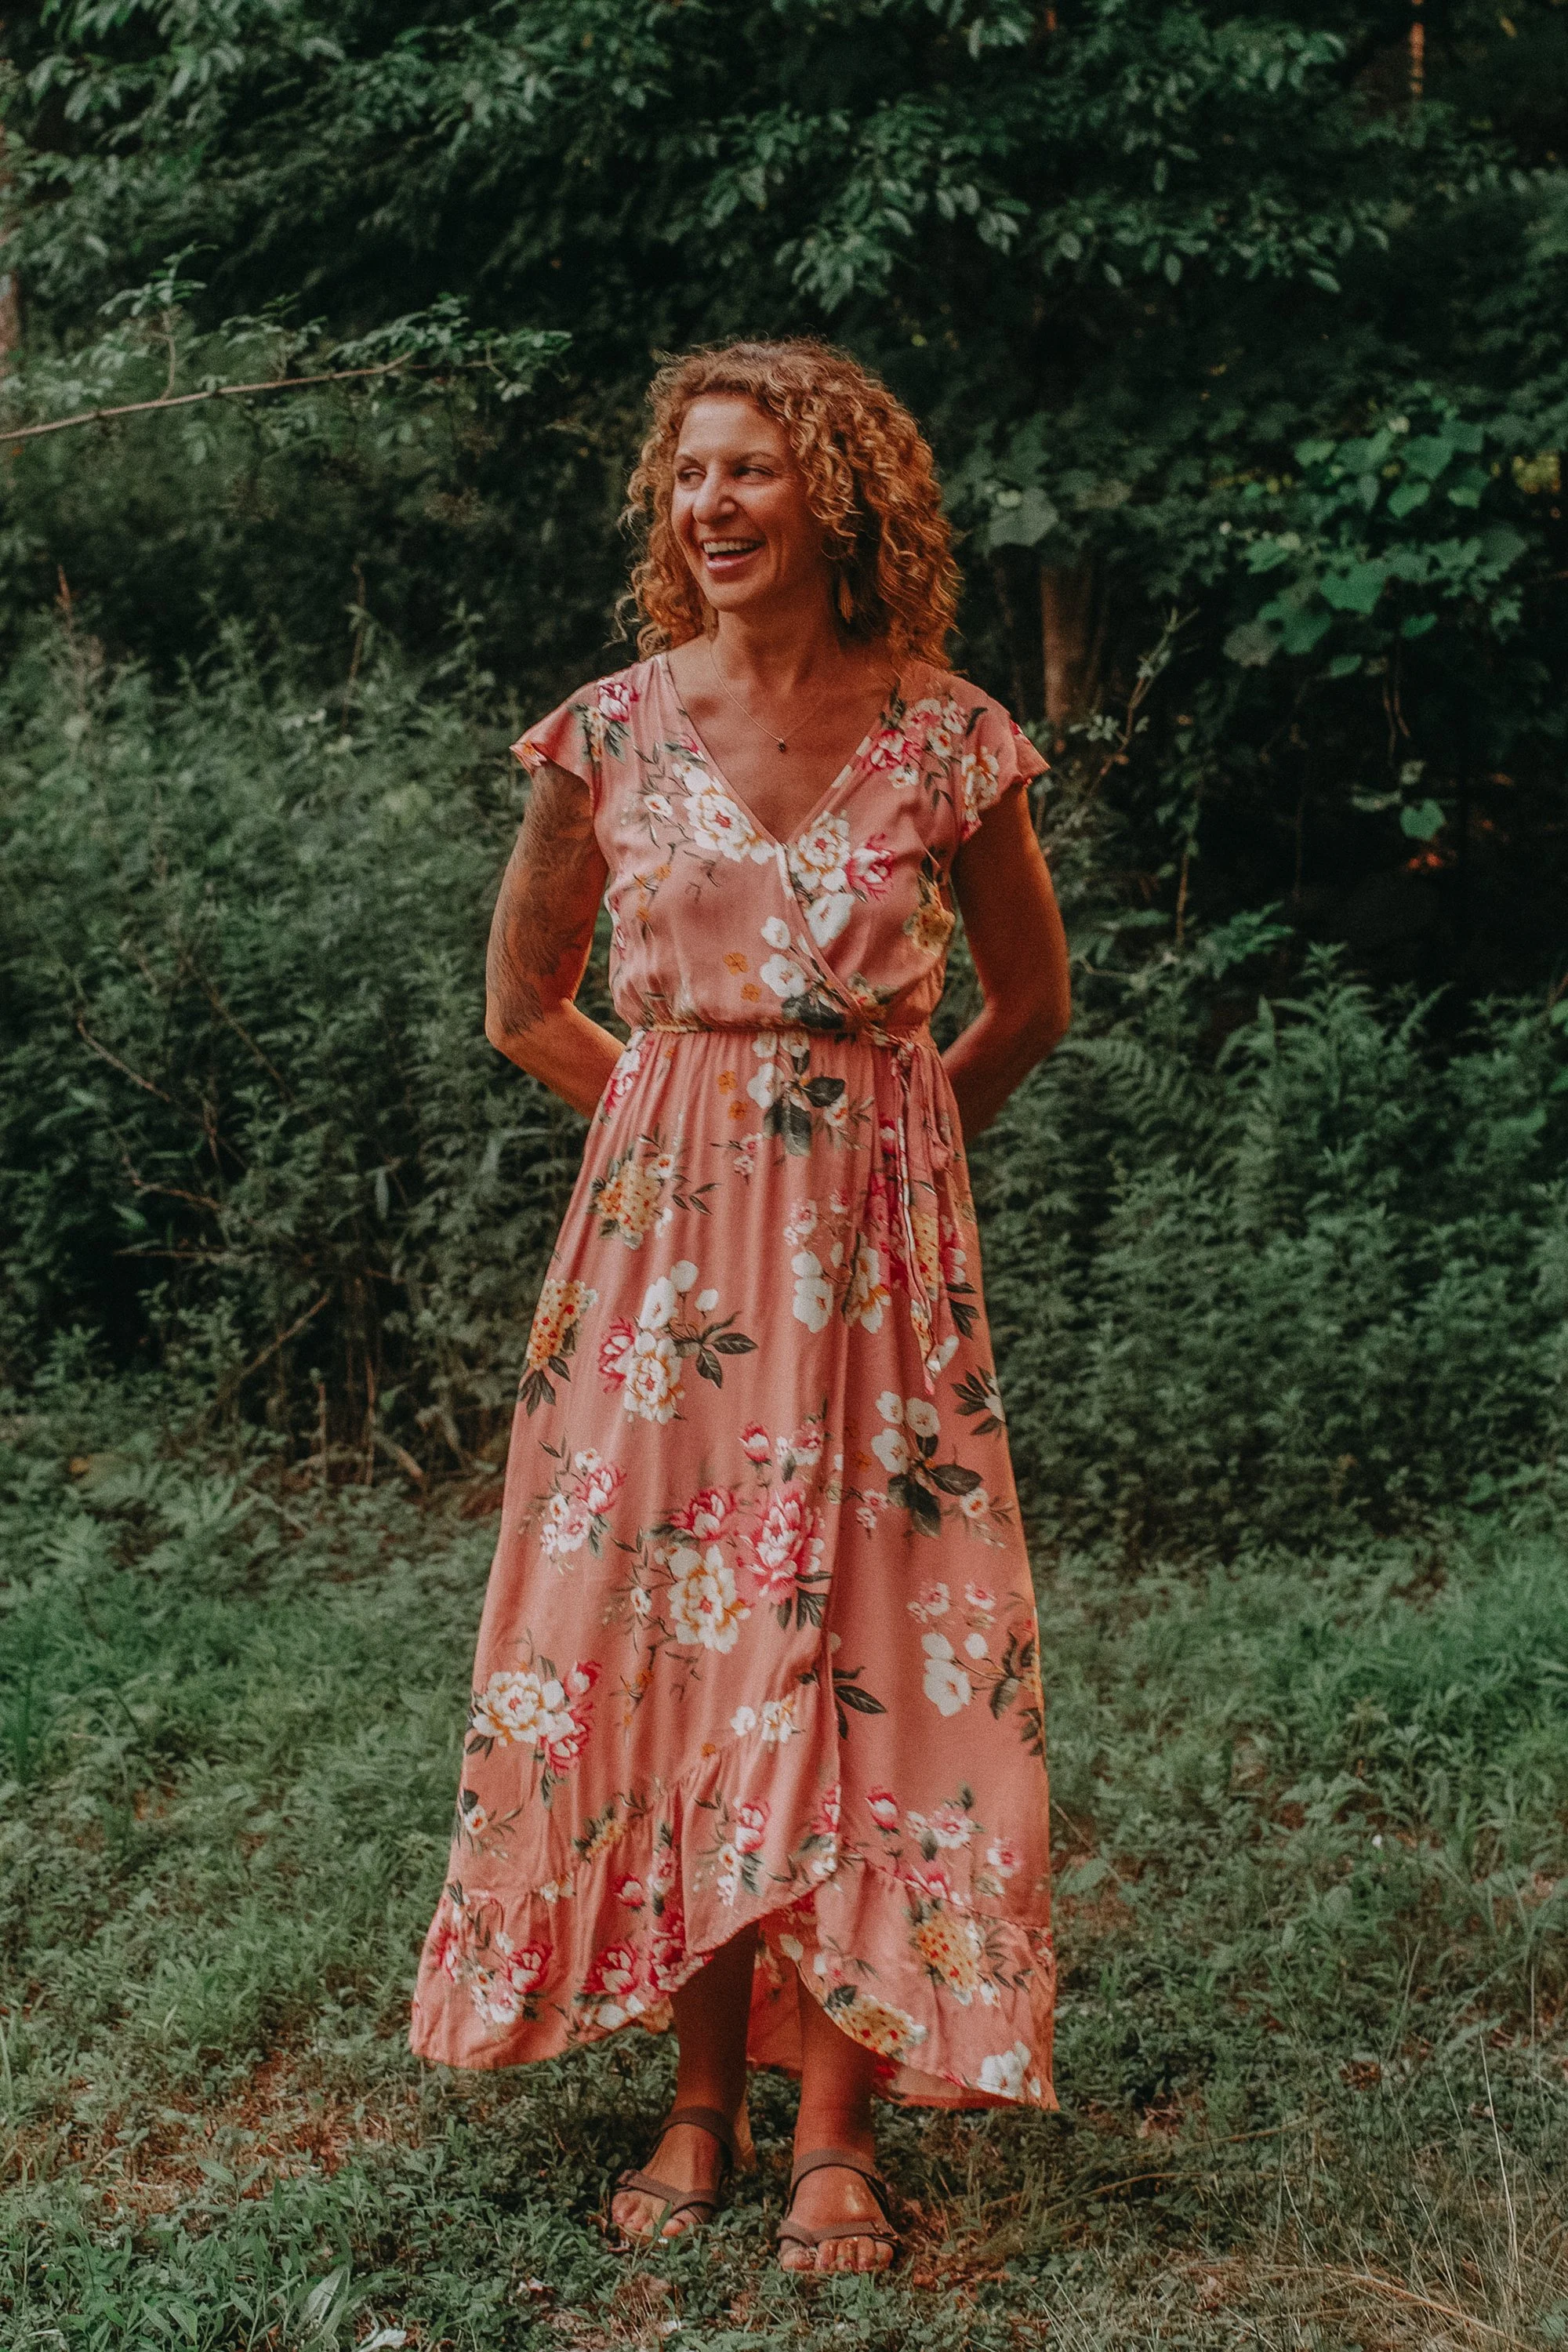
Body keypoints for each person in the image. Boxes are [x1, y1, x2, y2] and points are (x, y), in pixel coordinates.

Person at [409, 339, 1071, 2274]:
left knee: (874, 1653)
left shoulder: (951, 737)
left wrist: (889, 1153)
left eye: (751, 472)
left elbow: (1027, 1004)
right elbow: (523, 1001)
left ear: (836, 502)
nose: (708, 505)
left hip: (878, 1278)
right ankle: (697, 2102)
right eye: (688, 475)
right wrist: (673, 1117)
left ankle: (836, 2137)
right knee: (679, 1635)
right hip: (661, 1282)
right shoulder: (605, 734)